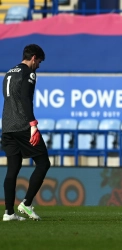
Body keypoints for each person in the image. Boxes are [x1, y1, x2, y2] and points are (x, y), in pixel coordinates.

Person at [2, 44, 51, 221]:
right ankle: (27, 204)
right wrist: (33, 124)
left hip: (7, 127)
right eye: (38, 61)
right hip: (23, 126)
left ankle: (8, 213)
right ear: (33, 58)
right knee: (43, 163)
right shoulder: (29, 73)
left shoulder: (8, 72)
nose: (38, 65)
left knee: (13, 169)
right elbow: (24, 98)